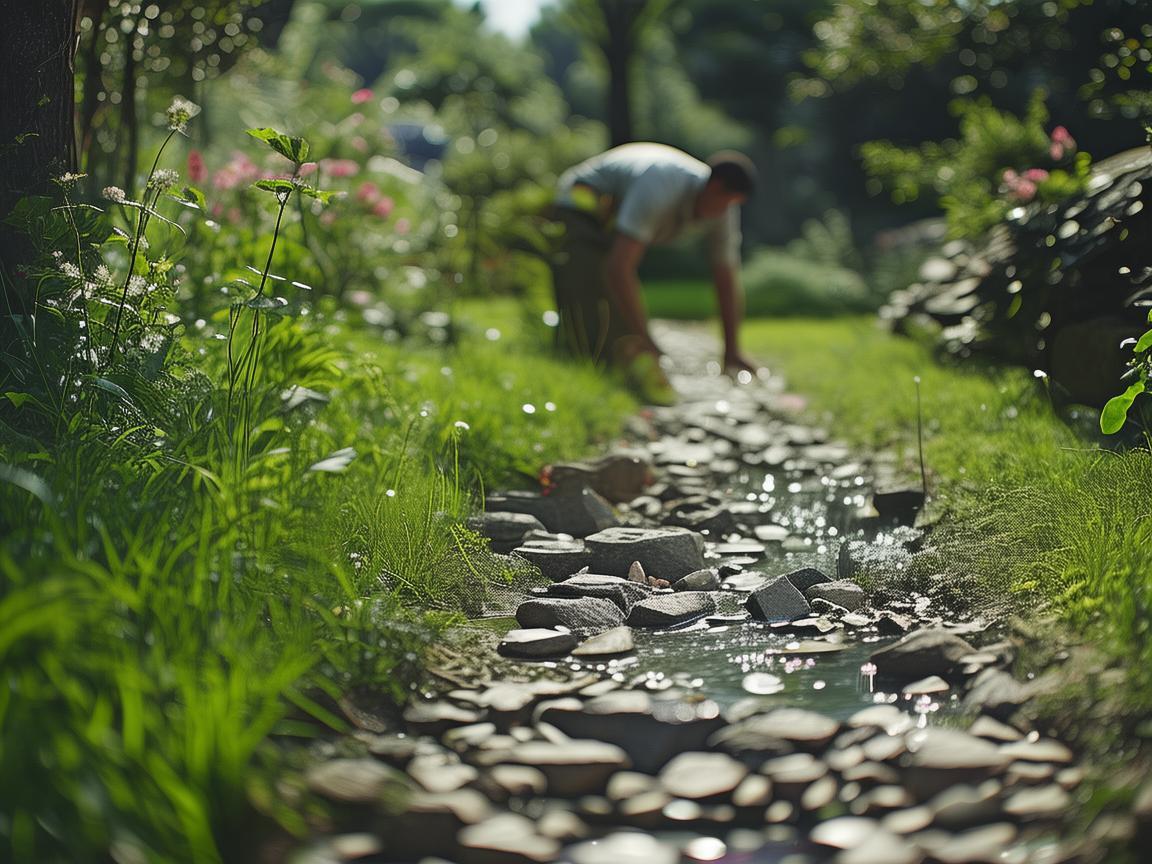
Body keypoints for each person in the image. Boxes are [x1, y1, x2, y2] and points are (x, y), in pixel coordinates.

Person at [549, 142, 758, 400]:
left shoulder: (724, 210)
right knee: (588, 295)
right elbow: (618, 268)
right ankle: (582, 365)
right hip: (582, 199)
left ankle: (615, 367)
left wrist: (732, 350)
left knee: (614, 319)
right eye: (724, 201)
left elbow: (726, 279)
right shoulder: (661, 186)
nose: (726, 210)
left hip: (616, 213)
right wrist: (646, 339)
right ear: (713, 187)